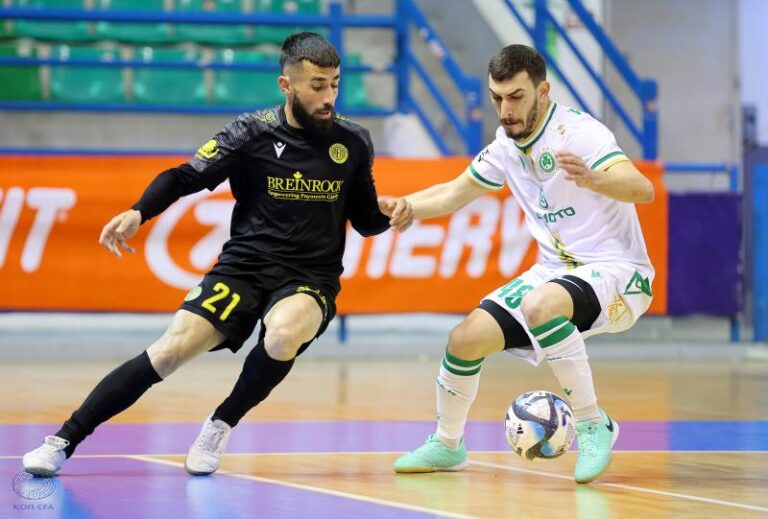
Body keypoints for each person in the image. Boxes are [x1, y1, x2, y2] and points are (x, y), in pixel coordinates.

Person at [22, 31, 412, 478]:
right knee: (169, 352)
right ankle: (63, 440)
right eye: (317, 85)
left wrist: (393, 214)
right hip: (243, 267)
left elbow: (364, 219)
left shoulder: (353, 141)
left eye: (335, 84)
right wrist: (138, 211)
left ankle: (221, 423)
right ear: (286, 86)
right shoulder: (252, 132)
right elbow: (184, 176)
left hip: (310, 276)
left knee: (284, 333)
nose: (329, 97)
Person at [386, 44, 655, 484]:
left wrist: (594, 177)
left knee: (540, 306)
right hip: (556, 270)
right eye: (497, 98)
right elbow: (454, 193)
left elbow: (642, 189)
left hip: (619, 271)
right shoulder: (505, 147)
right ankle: (448, 444)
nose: (505, 109)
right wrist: (407, 206)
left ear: (542, 90)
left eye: (516, 97)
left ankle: (592, 423)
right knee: (465, 338)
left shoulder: (579, 133)